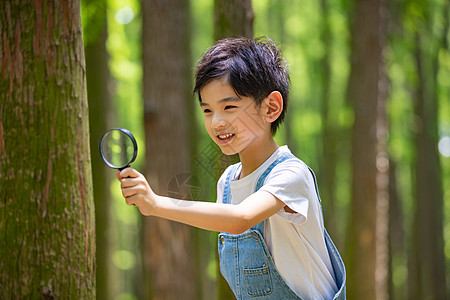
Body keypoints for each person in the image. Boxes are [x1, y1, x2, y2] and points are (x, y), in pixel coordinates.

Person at [116, 37, 346, 300]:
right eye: (207, 110)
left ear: (271, 107)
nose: (217, 122)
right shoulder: (227, 182)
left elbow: (241, 218)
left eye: (229, 107)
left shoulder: (291, 174)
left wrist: (155, 204)